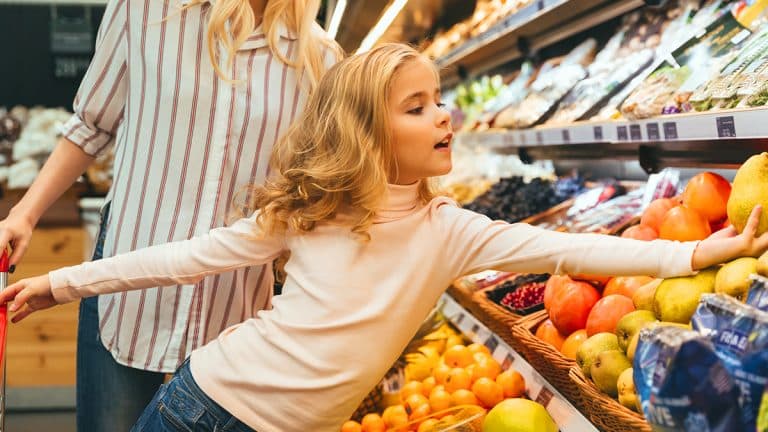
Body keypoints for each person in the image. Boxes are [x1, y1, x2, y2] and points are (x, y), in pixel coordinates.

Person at [2, 43, 767, 431]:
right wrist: (59, 282)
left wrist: (699, 252)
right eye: (417, 106)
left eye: (440, 101)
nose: (443, 116)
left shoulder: (450, 232)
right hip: (204, 408)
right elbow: (186, 259)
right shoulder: (310, 213)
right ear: (368, 132)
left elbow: (579, 251)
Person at [0, 0, 341, 429]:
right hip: (126, 284)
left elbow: (310, 187)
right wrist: (24, 215)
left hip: (233, 301)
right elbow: (91, 125)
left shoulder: (318, 57)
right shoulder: (145, 11)